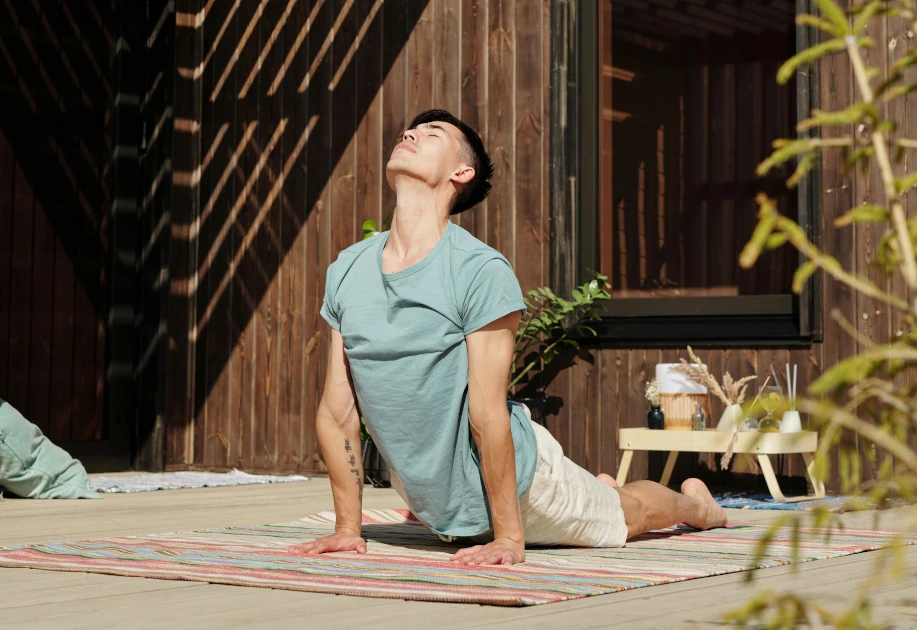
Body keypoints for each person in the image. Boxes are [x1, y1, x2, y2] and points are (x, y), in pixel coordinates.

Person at [286, 110, 726, 565]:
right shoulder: (347, 269)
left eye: (431, 133)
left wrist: (509, 538)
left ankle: (697, 505)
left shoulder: (478, 270)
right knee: (600, 497)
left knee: (625, 514)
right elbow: (338, 414)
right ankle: (600, 488)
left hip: (526, 485)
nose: (410, 134)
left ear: (462, 172)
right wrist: (346, 529)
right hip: (435, 500)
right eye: (408, 131)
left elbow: (487, 412)